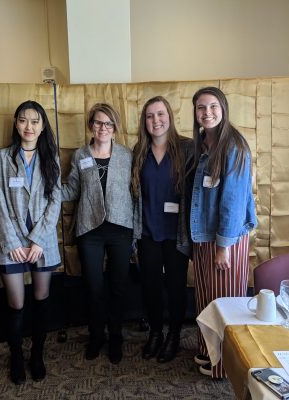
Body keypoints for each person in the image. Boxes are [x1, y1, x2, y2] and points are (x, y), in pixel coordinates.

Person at [0, 100, 61, 385]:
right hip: (11, 243)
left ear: (43, 125)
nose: (28, 126)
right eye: (23, 120)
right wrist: (12, 242)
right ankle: (17, 355)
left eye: (35, 121)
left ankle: (38, 355)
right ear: (16, 124)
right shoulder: (1, 158)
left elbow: (55, 200)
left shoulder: (50, 157)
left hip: (42, 243)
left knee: (41, 300)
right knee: (16, 302)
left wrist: (39, 240)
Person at [189, 87, 257, 378]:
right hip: (204, 235)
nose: (207, 112)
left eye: (213, 106)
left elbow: (232, 201)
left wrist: (223, 246)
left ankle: (224, 367)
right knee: (206, 300)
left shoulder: (234, 146)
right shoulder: (203, 143)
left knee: (224, 303)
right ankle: (209, 352)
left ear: (223, 108)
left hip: (224, 240)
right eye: (201, 107)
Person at [62, 103, 133, 364]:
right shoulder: (81, 154)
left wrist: (136, 230)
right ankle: (96, 336)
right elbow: (71, 190)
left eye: (108, 123)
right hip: (89, 229)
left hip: (120, 228)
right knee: (93, 287)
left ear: (115, 128)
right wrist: (46, 192)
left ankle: (116, 337)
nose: (103, 128)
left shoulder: (126, 155)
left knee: (118, 287)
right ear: (91, 125)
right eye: (98, 122)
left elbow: (134, 193)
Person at [131, 96, 193, 363]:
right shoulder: (138, 151)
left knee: (177, 287)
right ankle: (155, 333)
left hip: (176, 232)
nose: (156, 121)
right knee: (151, 286)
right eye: (150, 116)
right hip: (148, 231)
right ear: (144, 122)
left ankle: (174, 336)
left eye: (160, 114)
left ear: (169, 115)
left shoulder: (187, 148)